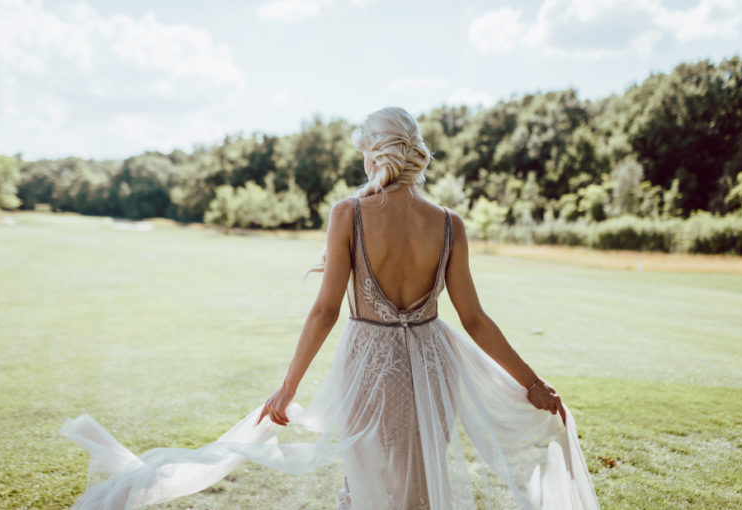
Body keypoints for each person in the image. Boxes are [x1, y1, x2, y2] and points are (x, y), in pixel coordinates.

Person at [62, 107, 599, 509]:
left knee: (369, 483)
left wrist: (288, 388)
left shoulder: (351, 214)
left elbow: (324, 313)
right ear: (414, 154)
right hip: (434, 368)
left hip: (371, 364)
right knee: (419, 481)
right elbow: (475, 319)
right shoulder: (450, 222)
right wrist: (533, 383)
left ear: (374, 152)